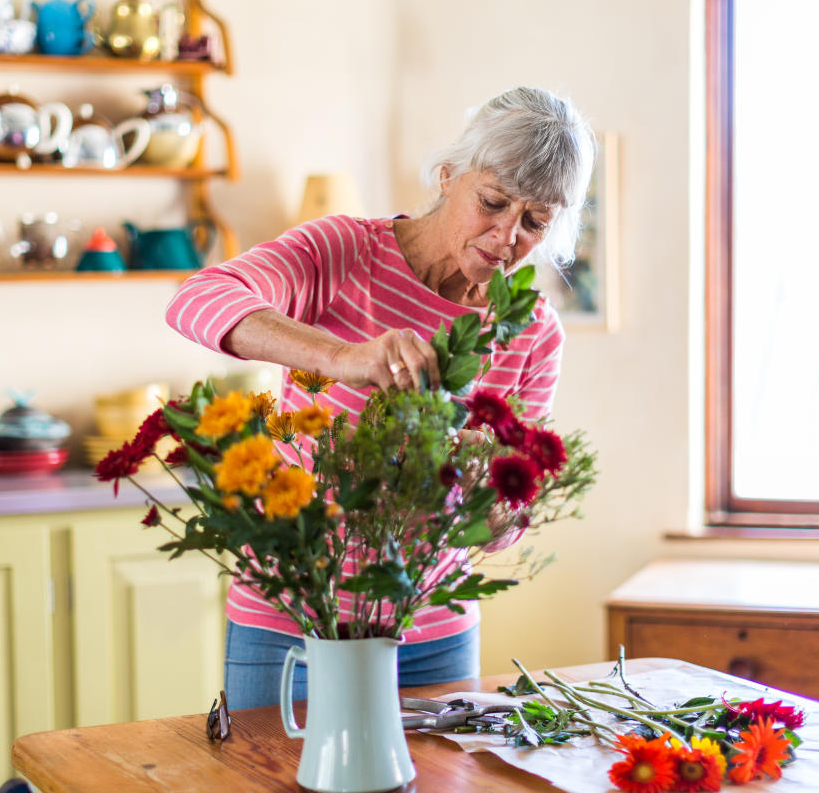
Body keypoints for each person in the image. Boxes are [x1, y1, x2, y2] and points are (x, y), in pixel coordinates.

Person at [165, 86, 595, 710]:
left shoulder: (531, 332)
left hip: (433, 635)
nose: (507, 237)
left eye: (534, 222)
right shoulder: (344, 252)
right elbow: (198, 298)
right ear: (448, 175)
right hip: (293, 614)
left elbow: (504, 529)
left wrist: (492, 493)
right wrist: (343, 357)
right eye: (494, 203)